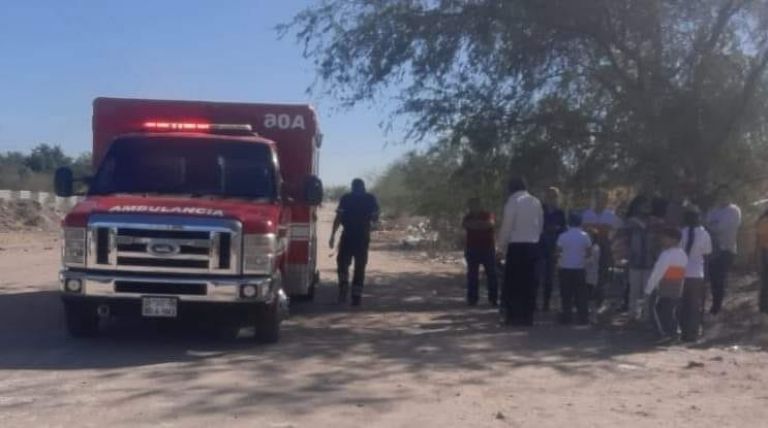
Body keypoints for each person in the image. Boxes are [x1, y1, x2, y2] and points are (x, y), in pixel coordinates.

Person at [497, 176, 543, 326]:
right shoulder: (536, 201)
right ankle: (527, 316)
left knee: (514, 282)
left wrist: (501, 246)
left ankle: (513, 316)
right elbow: (540, 224)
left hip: (517, 245)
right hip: (533, 245)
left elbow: (507, 225)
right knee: (530, 282)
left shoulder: (513, 201)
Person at [329, 178, 380, 306]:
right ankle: (356, 296)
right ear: (363, 187)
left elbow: (338, 218)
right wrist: (372, 219)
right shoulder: (370, 198)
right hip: (362, 237)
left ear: (352, 187)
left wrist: (333, 235)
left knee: (342, 263)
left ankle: (343, 287)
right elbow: (375, 218)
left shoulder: (346, 198)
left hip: (348, 236)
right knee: (359, 267)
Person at [643, 227, 688, 341]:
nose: (662, 240)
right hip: (677, 286)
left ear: (673, 240)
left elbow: (658, 272)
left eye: (665, 238)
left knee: (660, 311)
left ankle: (667, 334)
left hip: (665, 286)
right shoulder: (682, 254)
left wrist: (649, 288)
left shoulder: (666, 254)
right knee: (668, 311)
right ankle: (672, 333)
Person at [705, 187, 742, 315]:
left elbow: (724, 228)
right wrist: (713, 227)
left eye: (725, 195)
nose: (723, 197)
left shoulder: (734, 211)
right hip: (712, 249)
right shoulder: (713, 211)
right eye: (720, 195)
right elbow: (706, 225)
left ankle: (716, 306)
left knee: (720, 277)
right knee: (713, 278)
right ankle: (715, 303)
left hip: (727, 249)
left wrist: (713, 227)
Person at [582, 190, 623, 306]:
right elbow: (584, 229)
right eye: (599, 198)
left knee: (603, 273)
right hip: (589, 246)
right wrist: (599, 228)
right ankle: (587, 298)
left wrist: (611, 239)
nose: (601, 201)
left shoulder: (610, 215)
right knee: (589, 272)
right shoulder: (587, 214)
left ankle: (599, 299)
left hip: (605, 247)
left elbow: (618, 229)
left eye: (604, 199)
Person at [679, 207, 712, 342]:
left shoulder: (682, 232)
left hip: (682, 272)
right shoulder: (704, 234)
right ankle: (691, 333)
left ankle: (683, 331)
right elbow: (707, 254)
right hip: (696, 273)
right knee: (694, 305)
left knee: (683, 303)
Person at [620, 195, 655, 319]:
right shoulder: (630, 222)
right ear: (637, 206)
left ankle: (647, 315)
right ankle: (632, 314)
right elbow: (624, 240)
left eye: (648, 205)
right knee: (634, 290)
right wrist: (627, 254)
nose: (646, 208)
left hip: (650, 262)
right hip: (634, 261)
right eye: (644, 205)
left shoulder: (654, 222)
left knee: (648, 291)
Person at [556, 212, 592, 325]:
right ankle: (583, 317)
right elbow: (589, 252)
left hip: (565, 268)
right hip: (579, 268)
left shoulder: (563, 236)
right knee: (581, 294)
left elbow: (558, 251)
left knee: (566, 294)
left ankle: (567, 317)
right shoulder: (585, 236)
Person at [462, 197, 498, 306]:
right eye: (472, 205)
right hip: (472, 249)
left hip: (487, 249)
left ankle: (493, 299)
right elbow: (466, 225)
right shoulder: (467, 217)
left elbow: (490, 224)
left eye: (476, 205)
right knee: (472, 275)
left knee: (491, 274)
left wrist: (476, 225)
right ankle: (472, 299)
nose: (474, 207)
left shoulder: (488, 215)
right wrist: (481, 225)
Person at [539, 187, 567, 312]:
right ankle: (533, 303)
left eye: (554, 196)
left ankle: (546, 303)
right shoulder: (540, 210)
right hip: (539, 246)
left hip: (553, 247)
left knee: (549, 277)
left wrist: (556, 229)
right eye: (549, 196)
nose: (552, 199)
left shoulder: (560, 213)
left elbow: (563, 229)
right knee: (537, 275)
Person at [755, 208, 768, 313]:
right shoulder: (765, 221)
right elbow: (760, 242)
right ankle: (764, 306)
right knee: (765, 280)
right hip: (765, 252)